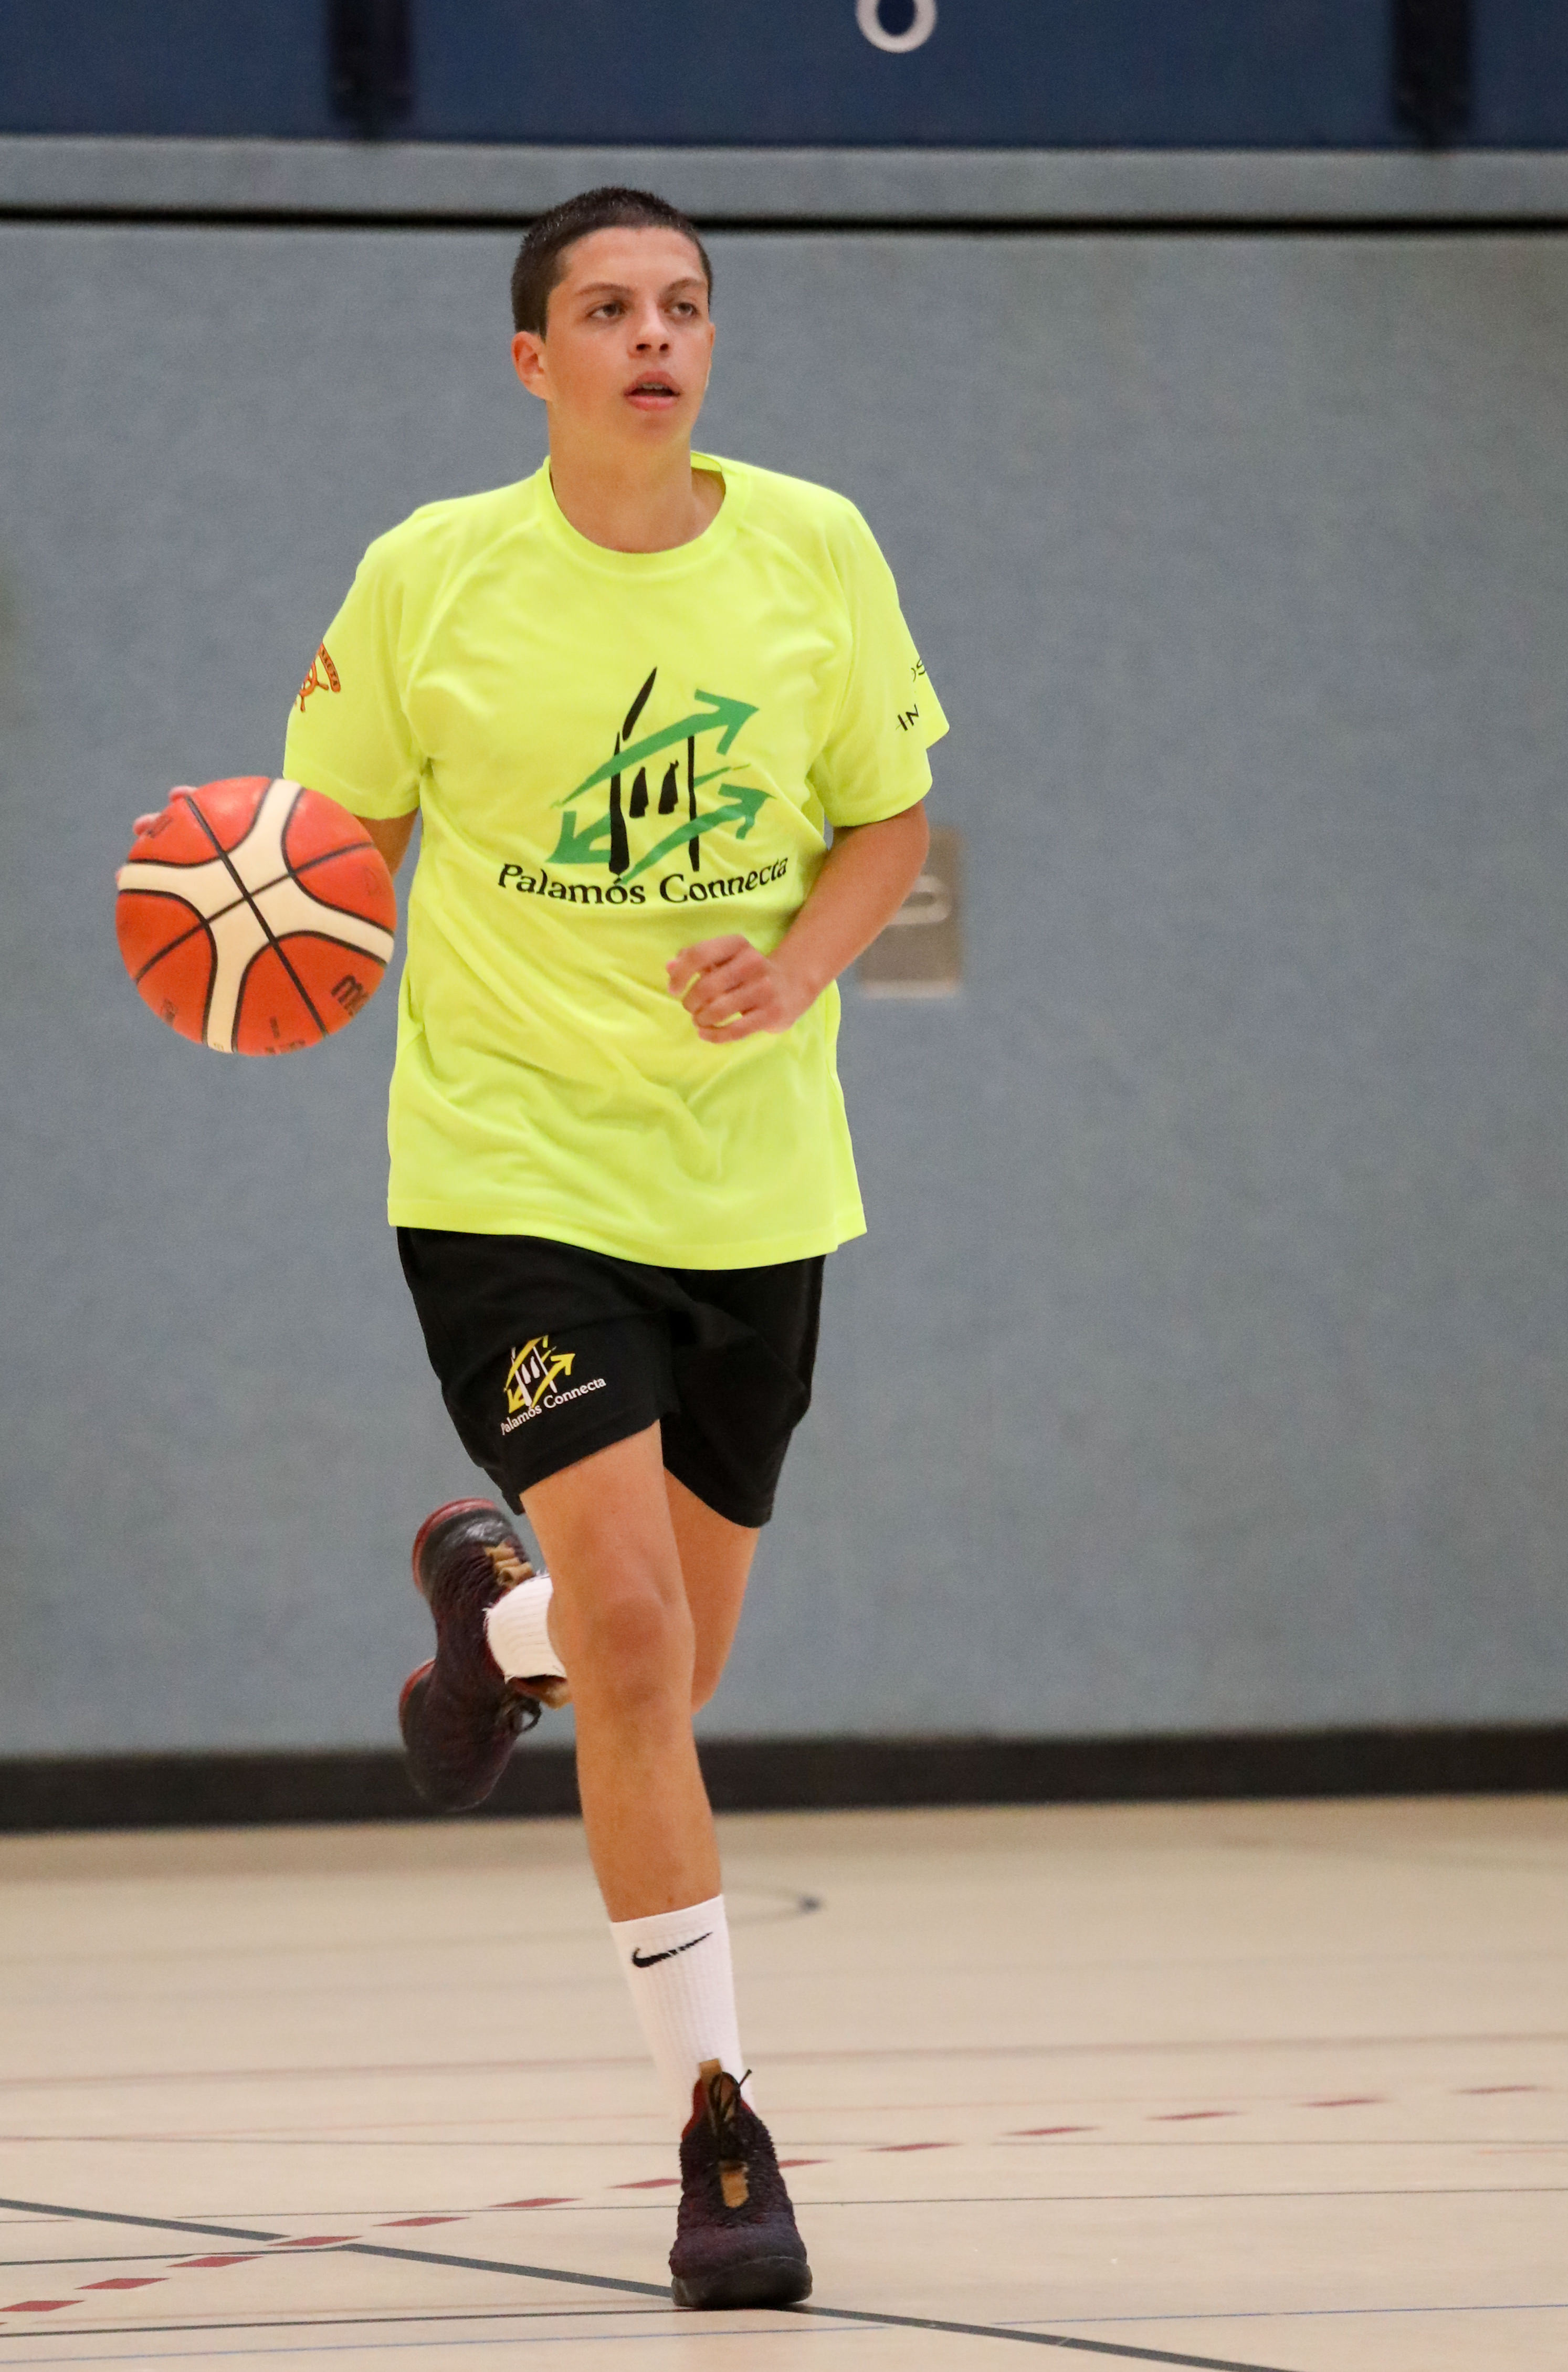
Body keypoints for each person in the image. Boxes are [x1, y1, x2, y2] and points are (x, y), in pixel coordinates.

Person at [273, 185, 941, 2307]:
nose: (652, 336)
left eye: (682, 306)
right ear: (531, 359)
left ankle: (499, 1625)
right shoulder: (429, 575)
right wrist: (248, 924)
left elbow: (889, 817)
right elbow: (330, 844)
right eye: (606, 310)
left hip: (752, 1185)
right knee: (644, 1647)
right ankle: (718, 2126)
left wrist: (800, 965)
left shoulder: (816, 549)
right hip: (507, 1172)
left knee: (671, 1654)